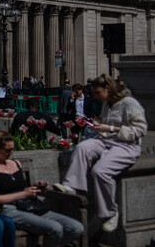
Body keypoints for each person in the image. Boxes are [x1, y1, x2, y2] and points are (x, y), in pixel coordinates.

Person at [53, 74, 147, 233]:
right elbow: (106, 126)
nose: (94, 96)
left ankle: (111, 212)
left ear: (107, 89)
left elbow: (140, 130)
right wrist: (98, 125)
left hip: (126, 145)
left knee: (100, 171)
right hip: (106, 141)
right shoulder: (107, 104)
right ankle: (72, 185)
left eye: (97, 93)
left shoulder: (129, 103)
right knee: (82, 147)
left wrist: (109, 128)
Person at [0, 130, 83, 247]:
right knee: (55, 228)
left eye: (12, 149)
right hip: (8, 209)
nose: (10, 153)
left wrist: (35, 188)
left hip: (29, 205)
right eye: (7, 150)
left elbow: (22, 188)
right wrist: (23, 194)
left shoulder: (15, 163)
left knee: (75, 228)